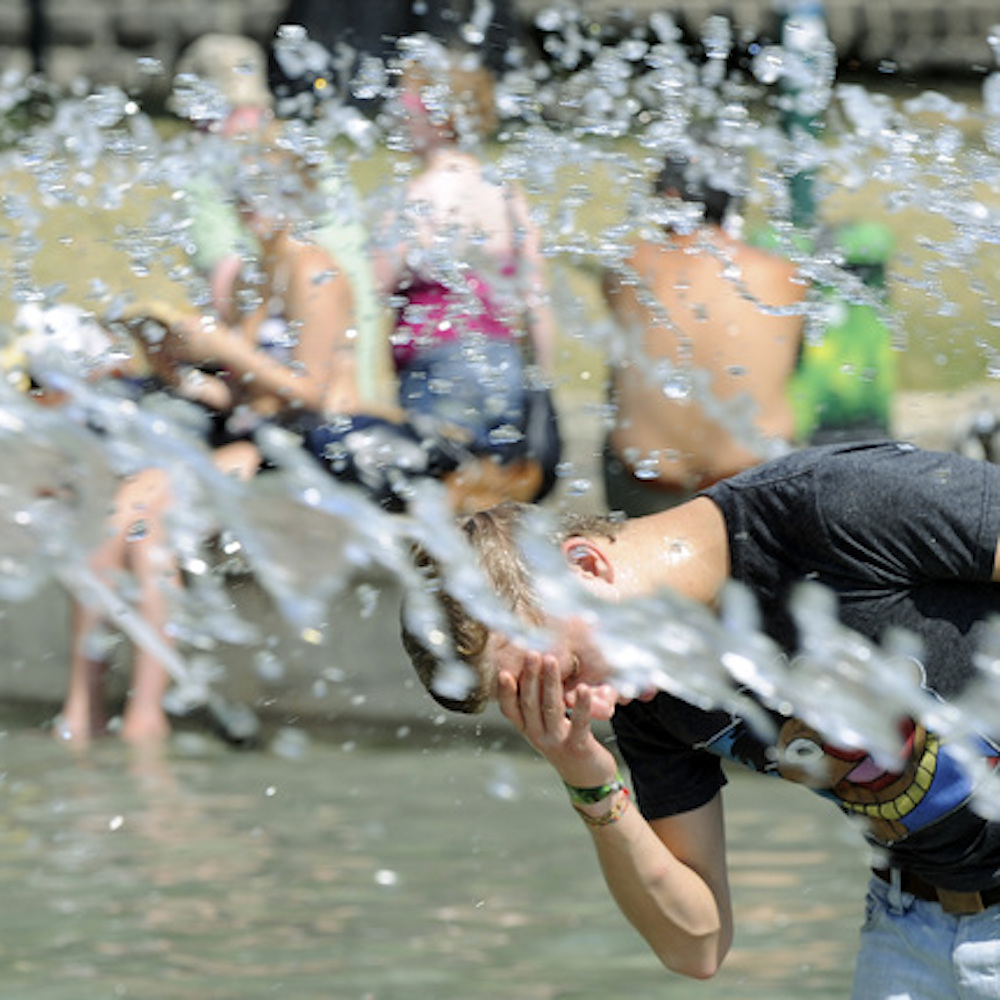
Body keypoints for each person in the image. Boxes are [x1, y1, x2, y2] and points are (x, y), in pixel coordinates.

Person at [400, 440, 1000, 998]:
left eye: (572, 670)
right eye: (552, 699)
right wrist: (585, 776)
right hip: (912, 928)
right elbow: (697, 944)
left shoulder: (831, 506)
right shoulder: (652, 701)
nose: (595, 707)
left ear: (583, 563)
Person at [372, 38, 561, 513]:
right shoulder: (505, 193)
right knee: (496, 501)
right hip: (503, 365)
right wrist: (545, 383)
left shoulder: (415, 197)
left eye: (407, 107)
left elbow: (368, 292)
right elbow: (536, 300)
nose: (399, 118)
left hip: (437, 369)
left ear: (438, 116)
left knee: (439, 501)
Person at [601, 145, 808, 516]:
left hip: (649, 476)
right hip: (750, 474)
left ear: (669, 195)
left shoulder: (627, 264)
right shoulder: (784, 274)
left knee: (619, 378)